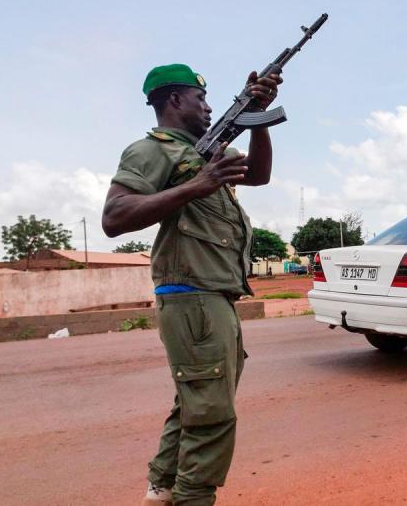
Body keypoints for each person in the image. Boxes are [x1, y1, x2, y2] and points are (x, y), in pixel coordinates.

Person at [101, 63, 281, 506]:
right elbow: (114, 218)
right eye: (200, 98)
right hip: (192, 296)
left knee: (198, 402)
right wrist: (196, 186)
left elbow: (258, 175)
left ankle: (162, 489)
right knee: (212, 413)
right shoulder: (151, 151)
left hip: (213, 296)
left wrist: (258, 116)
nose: (209, 106)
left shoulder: (207, 151)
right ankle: (191, 499)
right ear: (176, 100)